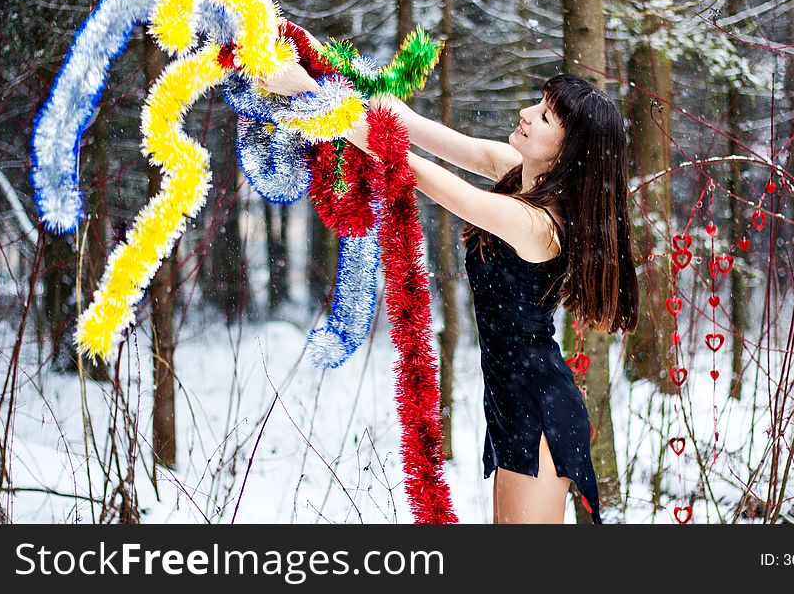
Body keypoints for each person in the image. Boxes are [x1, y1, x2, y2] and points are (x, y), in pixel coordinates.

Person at [261, 57, 639, 524]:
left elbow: (413, 169)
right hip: (510, 400)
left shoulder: (535, 222)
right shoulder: (519, 176)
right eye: (538, 103)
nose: (525, 112)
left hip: (539, 411)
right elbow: (410, 124)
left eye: (544, 116)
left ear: (567, 151)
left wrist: (309, 97)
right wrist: (311, 58)